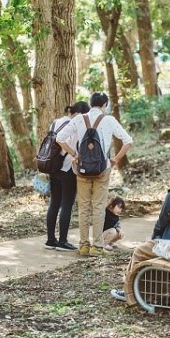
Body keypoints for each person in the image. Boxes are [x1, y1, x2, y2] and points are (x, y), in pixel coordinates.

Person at [110, 162, 170, 302]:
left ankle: (129, 292)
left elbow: (162, 222)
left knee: (140, 251)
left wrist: (153, 238)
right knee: (154, 251)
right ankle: (160, 293)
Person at [56, 92, 133, 257]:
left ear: (91, 104)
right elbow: (128, 141)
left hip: (82, 169)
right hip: (102, 170)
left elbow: (59, 138)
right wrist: (115, 160)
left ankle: (83, 245)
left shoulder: (78, 119)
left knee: (83, 207)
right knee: (98, 208)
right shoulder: (109, 120)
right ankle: (97, 247)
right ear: (104, 104)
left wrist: (74, 155)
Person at [44, 101, 91, 252]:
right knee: (67, 205)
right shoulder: (76, 125)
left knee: (54, 203)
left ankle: (51, 240)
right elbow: (70, 144)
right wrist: (74, 154)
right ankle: (63, 241)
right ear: (81, 113)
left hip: (52, 167)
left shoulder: (56, 122)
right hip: (67, 169)